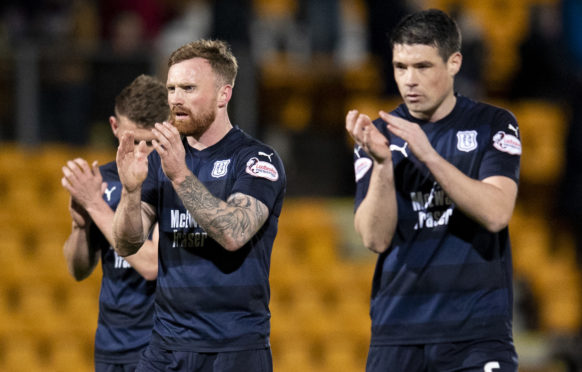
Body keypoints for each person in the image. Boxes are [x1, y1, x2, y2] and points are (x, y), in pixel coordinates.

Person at [345, 9, 521, 372]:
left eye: (422, 67)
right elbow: (375, 239)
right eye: (400, 67)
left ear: (454, 62)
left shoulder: (493, 124)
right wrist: (382, 165)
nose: (409, 80)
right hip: (398, 331)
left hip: (476, 333)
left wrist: (429, 155)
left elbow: (496, 213)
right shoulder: (378, 137)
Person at [112, 39, 286, 371]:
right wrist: (131, 192)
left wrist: (180, 176)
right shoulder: (160, 157)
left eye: (189, 88)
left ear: (224, 94)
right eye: (171, 88)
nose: (176, 98)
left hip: (234, 350)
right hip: (165, 347)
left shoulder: (255, 159)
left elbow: (235, 233)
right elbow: (127, 242)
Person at [62, 74, 170, 372]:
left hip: (159, 346)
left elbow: (151, 265)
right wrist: (81, 226)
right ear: (114, 127)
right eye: (133, 141)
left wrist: (95, 206)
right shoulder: (102, 182)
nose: (141, 152)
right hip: (110, 345)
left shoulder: (176, 182)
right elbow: (79, 269)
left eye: (151, 142)